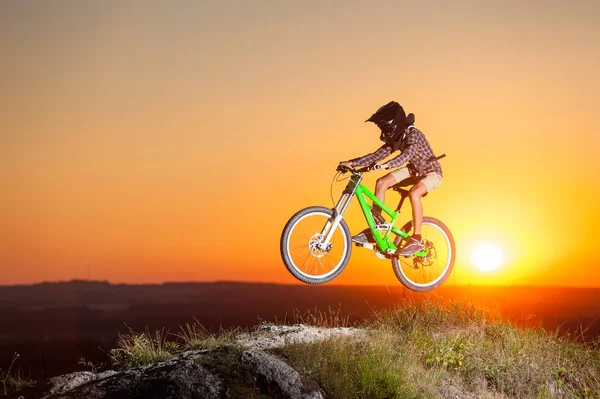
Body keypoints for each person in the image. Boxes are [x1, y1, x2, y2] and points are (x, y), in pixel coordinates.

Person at [338, 101, 443, 256]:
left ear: (394, 125)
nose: (384, 133)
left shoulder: (414, 135)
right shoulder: (398, 137)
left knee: (414, 193)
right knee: (381, 182)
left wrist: (386, 165)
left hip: (431, 172)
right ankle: (376, 229)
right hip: (414, 171)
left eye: (385, 129)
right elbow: (376, 155)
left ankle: (418, 238)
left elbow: (406, 155)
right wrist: (352, 162)